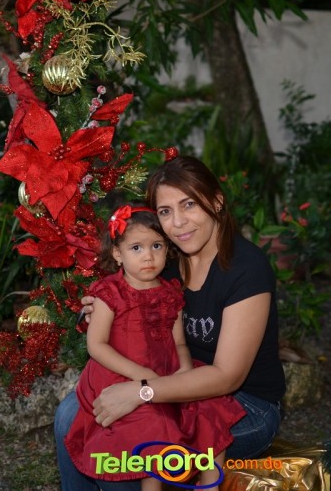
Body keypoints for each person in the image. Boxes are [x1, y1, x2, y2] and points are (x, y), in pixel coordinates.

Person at [55, 156, 286, 491]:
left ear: (217, 201)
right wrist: (97, 312)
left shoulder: (246, 270)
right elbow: (124, 300)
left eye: (189, 204)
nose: (178, 222)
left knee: (129, 446)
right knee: (68, 416)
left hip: (243, 403)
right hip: (169, 375)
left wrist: (142, 391)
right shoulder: (166, 260)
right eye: (165, 211)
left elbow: (227, 376)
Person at [64, 203, 245, 490]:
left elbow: (179, 342)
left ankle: (210, 486)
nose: (148, 256)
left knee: (208, 409)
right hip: (120, 373)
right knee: (155, 425)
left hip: (165, 372)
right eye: (136, 248)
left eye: (157, 246)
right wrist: (143, 376)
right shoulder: (110, 292)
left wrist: (185, 369)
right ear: (117, 254)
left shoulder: (170, 292)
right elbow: (96, 346)